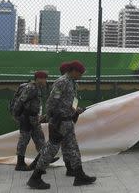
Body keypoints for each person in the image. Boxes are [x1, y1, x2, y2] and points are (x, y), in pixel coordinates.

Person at [27, 60, 96, 189]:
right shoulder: (62, 82)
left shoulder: (73, 83)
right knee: (51, 150)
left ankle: (79, 175)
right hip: (59, 122)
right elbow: (51, 102)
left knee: (73, 148)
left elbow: (72, 101)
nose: (81, 76)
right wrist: (53, 120)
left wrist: (76, 110)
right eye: (80, 73)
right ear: (74, 71)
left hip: (68, 121)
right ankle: (35, 177)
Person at [13, 71, 49, 171]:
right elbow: (20, 101)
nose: (45, 81)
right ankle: (20, 163)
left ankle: (44, 158)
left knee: (39, 137)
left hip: (34, 118)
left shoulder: (37, 88)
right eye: (44, 78)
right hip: (26, 118)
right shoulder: (31, 88)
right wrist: (16, 115)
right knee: (24, 139)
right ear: (38, 79)